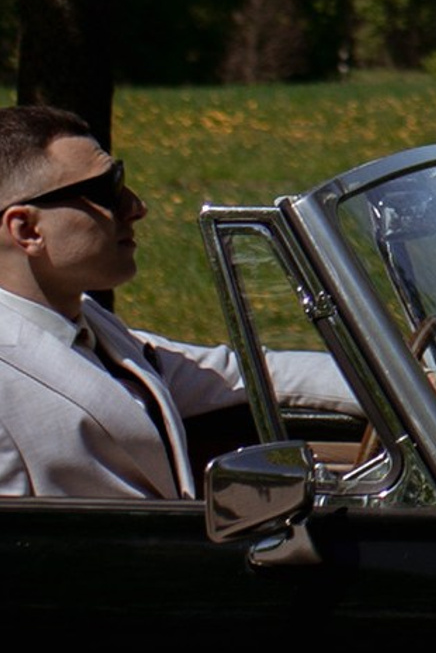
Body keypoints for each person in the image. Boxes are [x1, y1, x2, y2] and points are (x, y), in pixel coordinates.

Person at [0, 104, 353, 502]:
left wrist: (402, 380)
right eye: (106, 192)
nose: (136, 207)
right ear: (27, 229)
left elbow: (244, 372)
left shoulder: (88, 325)